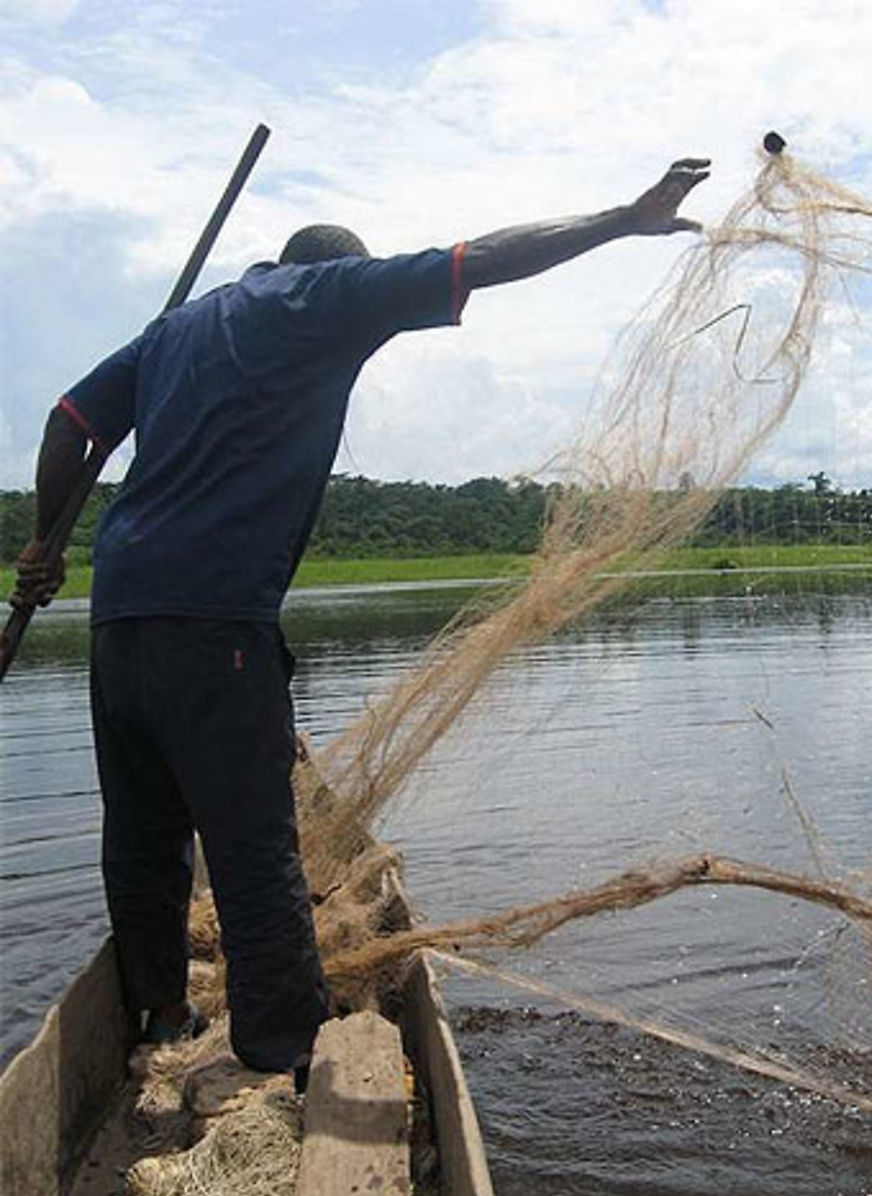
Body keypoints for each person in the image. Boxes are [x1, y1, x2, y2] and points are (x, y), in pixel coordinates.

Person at [12, 156, 710, 1082]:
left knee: (141, 835)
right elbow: (482, 258)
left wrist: (45, 546)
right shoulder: (326, 297)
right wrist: (625, 217)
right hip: (215, 623)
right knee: (256, 844)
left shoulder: (174, 329)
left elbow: (69, 426)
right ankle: (277, 1059)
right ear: (335, 271)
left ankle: (164, 1015)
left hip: (118, 618)